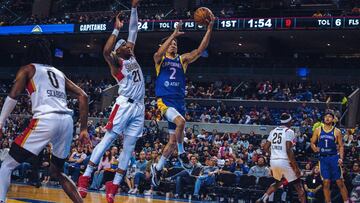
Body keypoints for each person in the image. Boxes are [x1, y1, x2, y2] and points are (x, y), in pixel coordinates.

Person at [0, 38, 89, 203]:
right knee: (58, 172)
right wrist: (83, 129)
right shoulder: (58, 72)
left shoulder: (28, 69)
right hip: (67, 122)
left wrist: (0, 122)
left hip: (46, 120)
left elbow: (13, 96)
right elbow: (83, 96)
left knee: (7, 165)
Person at [77, 1, 145, 202]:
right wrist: (115, 30)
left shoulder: (130, 55)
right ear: (118, 50)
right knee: (108, 141)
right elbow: (106, 52)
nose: (128, 45)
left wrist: (133, 8)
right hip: (124, 104)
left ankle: (113, 186)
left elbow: (134, 29)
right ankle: (85, 178)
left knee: (129, 147)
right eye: (124, 45)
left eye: (128, 44)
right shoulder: (117, 63)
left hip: (139, 107)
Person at [151, 13, 215, 187]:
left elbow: (200, 50)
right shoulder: (160, 60)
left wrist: (209, 28)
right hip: (165, 101)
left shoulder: (182, 60)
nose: (174, 44)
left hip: (179, 102)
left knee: (171, 142)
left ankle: (157, 168)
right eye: (171, 43)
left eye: (175, 43)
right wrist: (173, 33)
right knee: (181, 122)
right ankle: (182, 154)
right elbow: (158, 52)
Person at [256, 113, 306, 203]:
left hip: (274, 162)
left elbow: (265, 147)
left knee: (279, 182)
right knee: (299, 186)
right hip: (284, 161)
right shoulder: (289, 131)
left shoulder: (273, 131)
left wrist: (275, 154)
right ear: (289, 122)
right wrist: (295, 167)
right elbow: (288, 150)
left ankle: (263, 198)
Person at [310, 110, 349, 203]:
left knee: (340, 182)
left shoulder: (337, 131)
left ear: (333, 119)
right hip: (323, 159)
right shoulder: (318, 129)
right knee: (326, 183)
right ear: (323, 118)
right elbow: (312, 142)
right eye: (326, 116)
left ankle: (347, 201)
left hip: (334, 158)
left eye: (329, 116)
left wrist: (341, 158)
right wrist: (314, 148)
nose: (327, 118)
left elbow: (341, 146)